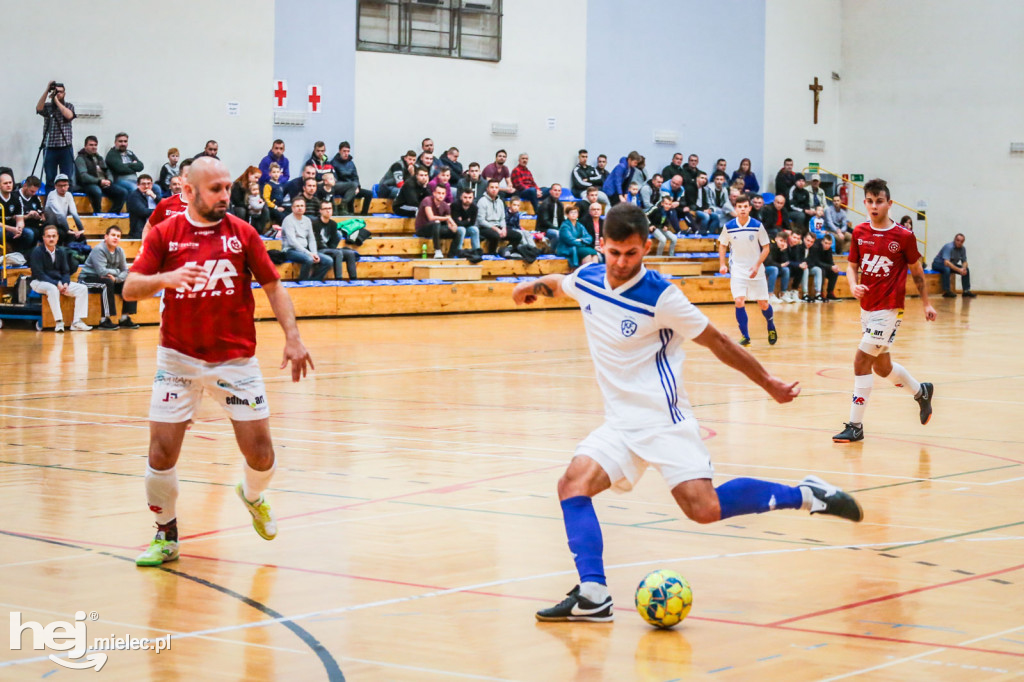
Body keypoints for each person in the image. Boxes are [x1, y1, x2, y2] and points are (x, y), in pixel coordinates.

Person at [513, 203, 863, 623]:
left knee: (704, 510)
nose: (622, 262)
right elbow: (560, 283)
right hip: (621, 423)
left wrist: (768, 383)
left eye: (632, 253)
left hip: (664, 421)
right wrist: (533, 284)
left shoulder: (661, 296)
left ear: (645, 248)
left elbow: (718, 342)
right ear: (601, 245)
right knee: (572, 485)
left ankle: (807, 495)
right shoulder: (588, 278)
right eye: (614, 253)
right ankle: (594, 594)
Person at [123, 157, 313, 566]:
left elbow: (274, 287)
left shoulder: (242, 234)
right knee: (160, 453)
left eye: (228, 187)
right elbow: (130, 287)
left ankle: (252, 494)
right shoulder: (165, 233)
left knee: (261, 454)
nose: (226, 195)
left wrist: (293, 338)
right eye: (216, 189)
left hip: (234, 361)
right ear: (189, 191)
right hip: (178, 360)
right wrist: (164, 280)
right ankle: (166, 535)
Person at [834, 178, 936, 443]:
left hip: (889, 309)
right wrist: (854, 285)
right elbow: (851, 266)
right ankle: (920, 392)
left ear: (889, 204)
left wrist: (926, 303)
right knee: (882, 367)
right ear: (865, 203)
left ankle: (855, 426)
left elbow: (917, 272)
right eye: (869, 201)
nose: (874, 205)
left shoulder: (904, 236)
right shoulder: (859, 232)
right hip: (867, 309)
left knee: (860, 361)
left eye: (879, 201)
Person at [718, 194, 776, 346]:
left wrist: (757, 265)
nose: (742, 209)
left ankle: (770, 325)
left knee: (763, 303)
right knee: (739, 301)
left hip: (756, 270)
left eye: (745, 207)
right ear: (736, 209)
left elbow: (766, 248)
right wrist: (722, 264)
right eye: (739, 207)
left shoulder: (757, 225)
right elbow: (723, 245)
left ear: (749, 208)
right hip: (737, 269)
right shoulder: (729, 226)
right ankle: (745, 336)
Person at [29, 225, 91, 331]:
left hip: (58, 282)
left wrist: (65, 283)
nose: (51, 239)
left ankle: (76, 322)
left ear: (57, 237)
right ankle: (59, 322)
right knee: (52, 289)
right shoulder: (37, 252)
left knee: (82, 289)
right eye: (48, 236)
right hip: (38, 282)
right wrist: (56, 283)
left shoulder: (61, 251)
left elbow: (65, 271)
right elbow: (39, 274)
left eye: (54, 236)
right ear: (43, 238)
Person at [79, 225, 139, 329]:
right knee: (106, 283)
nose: (116, 238)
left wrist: (117, 279)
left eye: (118, 236)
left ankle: (125, 318)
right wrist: (117, 271)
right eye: (113, 235)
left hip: (109, 279)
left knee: (131, 282)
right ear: (106, 237)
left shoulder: (120, 251)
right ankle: (104, 320)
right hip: (88, 278)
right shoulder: (99, 249)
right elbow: (102, 272)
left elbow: (125, 270)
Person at [36, 81, 77, 190]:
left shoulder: (69, 106)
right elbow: (39, 108)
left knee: (68, 178)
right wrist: (46, 90)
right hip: (50, 148)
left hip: (65, 148)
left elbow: (69, 116)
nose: (58, 94)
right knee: (50, 178)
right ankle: (50, 204)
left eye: (60, 92)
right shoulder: (48, 107)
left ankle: (67, 204)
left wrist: (56, 101)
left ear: (64, 93)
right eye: (56, 92)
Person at [281, 197, 332, 281]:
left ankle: (313, 281)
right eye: (297, 206)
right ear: (292, 208)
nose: (300, 208)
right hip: (290, 250)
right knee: (308, 259)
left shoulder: (307, 220)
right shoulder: (288, 220)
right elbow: (292, 242)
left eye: (302, 205)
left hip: (305, 250)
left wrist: (314, 253)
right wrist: (309, 253)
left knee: (328, 261)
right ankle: (303, 282)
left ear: (305, 207)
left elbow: (311, 238)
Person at [142, 159, 192, 241]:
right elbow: (148, 227)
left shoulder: (206, 207)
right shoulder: (166, 203)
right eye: (188, 176)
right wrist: (145, 250)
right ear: (180, 179)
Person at [75, 136, 128, 213]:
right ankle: (98, 213)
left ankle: (112, 214)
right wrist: (99, 181)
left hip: (103, 183)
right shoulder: (80, 158)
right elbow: (83, 176)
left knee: (123, 192)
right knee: (96, 191)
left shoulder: (99, 158)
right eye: (91, 145)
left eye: (95, 145)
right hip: (89, 184)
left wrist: (109, 180)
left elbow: (108, 171)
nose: (94, 147)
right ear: (85, 146)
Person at [415, 183, 464, 259]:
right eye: (439, 193)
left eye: (443, 193)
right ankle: (437, 250)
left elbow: (449, 220)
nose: (441, 195)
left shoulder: (445, 205)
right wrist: (447, 219)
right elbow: (431, 217)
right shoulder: (427, 200)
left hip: (436, 230)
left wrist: (453, 226)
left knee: (458, 232)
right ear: (434, 193)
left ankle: (451, 255)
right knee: (436, 223)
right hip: (423, 229)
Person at [312, 200, 359, 280]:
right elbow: (316, 242)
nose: (328, 211)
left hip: (329, 249)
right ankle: (338, 280)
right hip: (317, 250)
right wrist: (331, 250)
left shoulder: (333, 224)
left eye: (330, 208)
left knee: (350, 253)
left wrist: (331, 249)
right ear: (320, 211)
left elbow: (333, 243)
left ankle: (354, 280)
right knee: (338, 253)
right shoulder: (315, 223)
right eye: (325, 208)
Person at [330, 142, 373, 215]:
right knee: (352, 191)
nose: (346, 153)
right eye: (344, 151)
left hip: (353, 186)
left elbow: (355, 177)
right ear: (339, 151)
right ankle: (348, 211)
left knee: (369, 193)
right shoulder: (333, 163)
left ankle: (363, 214)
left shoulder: (351, 163)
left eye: (348, 151)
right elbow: (335, 179)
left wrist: (357, 187)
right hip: (341, 188)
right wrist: (352, 186)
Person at [44, 173, 87, 245]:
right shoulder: (52, 195)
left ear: (68, 186)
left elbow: (74, 213)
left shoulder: (69, 195)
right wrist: (67, 230)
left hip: (62, 225)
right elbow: (60, 214)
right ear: (55, 186)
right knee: (64, 234)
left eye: (65, 185)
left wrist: (81, 229)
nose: (63, 188)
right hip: (50, 225)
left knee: (81, 237)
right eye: (60, 186)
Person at [106, 133, 153, 197]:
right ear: (115, 142)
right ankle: (134, 206)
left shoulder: (130, 153)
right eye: (120, 141)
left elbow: (140, 166)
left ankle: (155, 206)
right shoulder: (112, 154)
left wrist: (126, 165)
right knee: (135, 189)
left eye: (125, 141)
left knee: (156, 188)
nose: (123, 144)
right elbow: (120, 169)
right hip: (120, 181)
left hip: (135, 180)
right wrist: (133, 165)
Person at [932, 233, 976, 298]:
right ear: (954, 240)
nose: (959, 242)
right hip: (938, 264)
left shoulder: (963, 249)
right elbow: (946, 262)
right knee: (946, 269)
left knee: (966, 270)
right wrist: (959, 270)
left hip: (950, 264)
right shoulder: (948, 247)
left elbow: (964, 261)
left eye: (961, 241)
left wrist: (963, 269)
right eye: (957, 240)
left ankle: (966, 291)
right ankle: (946, 291)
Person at [1, 172, 34, 256]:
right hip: (3, 228)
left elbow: (20, 219)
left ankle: (19, 254)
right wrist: (12, 229)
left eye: (10, 182)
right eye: (5, 183)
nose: (8, 185)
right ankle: (2, 254)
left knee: (29, 233)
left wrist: (19, 229)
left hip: (12, 229)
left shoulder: (16, 197)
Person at [556, 204, 599, 269]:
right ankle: (585, 274)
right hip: (568, 248)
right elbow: (570, 241)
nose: (574, 214)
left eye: (575, 212)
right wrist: (583, 242)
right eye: (571, 212)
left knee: (594, 252)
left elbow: (589, 238)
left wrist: (581, 240)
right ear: (567, 215)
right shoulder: (565, 226)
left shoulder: (580, 225)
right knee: (586, 253)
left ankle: (594, 273)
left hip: (579, 246)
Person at [476, 179, 509, 255]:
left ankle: (508, 251)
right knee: (495, 236)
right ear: (487, 188)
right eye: (492, 187)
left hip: (498, 227)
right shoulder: (482, 201)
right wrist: (496, 229)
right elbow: (481, 221)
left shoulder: (500, 202)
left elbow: (502, 218)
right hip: (484, 228)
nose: (494, 189)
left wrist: (504, 228)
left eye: (496, 187)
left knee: (517, 236)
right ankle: (492, 253)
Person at [450, 188, 484, 261]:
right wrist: (466, 221)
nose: (467, 199)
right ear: (461, 197)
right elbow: (455, 221)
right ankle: (458, 251)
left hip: (467, 228)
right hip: (456, 229)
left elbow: (472, 223)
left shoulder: (474, 207)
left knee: (475, 229)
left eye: (470, 197)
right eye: (465, 197)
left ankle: (476, 250)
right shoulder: (455, 205)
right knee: (462, 229)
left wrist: (462, 221)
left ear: (473, 198)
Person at [126, 174, 160, 240]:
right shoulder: (134, 196)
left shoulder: (154, 194)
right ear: (138, 185)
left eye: (148, 184)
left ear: (152, 184)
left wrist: (154, 196)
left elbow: (164, 205)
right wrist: (159, 211)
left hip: (155, 231)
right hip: (139, 233)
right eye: (143, 184)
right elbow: (143, 211)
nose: (146, 186)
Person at [811, 233, 842, 301]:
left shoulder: (829, 249)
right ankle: (821, 293)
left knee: (834, 273)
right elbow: (817, 262)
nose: (827, 245)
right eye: (826, 243)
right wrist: (830, 267)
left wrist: (834, 267)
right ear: (822, 241)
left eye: (829, 244)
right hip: (815, 266)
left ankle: (830, 293)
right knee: (822, 271)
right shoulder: (816, 246)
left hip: (824, 266)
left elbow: (830, 262)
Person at [766, 231, 791, 304]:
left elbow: (785, 262)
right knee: (774, 269)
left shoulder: (780, 248)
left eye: (784, 241)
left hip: (774, 267)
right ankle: (770, 294)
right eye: (781, 241)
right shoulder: (770, 245)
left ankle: (783, 294)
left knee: (786, 270)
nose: (782, 243)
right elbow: (768, 262)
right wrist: (780, 265)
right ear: (776, 239)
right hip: (763, 267)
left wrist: (783, 251)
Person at [798, 232, 823, 302]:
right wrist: (803, 264)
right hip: (799, 267)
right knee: (805, 270)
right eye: (808, 240)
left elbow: (815, 261)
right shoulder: (799, 246)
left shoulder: (814, 248)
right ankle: (805, 294)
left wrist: (807, 264)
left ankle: (818, 293)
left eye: (812, 242)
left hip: (808, 266)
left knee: (818, 269)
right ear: (804, 239)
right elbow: (797, 258)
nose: (809, 243)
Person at [262, 162, 287, 226]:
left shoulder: (280, 185)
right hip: (272, 208)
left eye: (277, 172)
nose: (276, 174)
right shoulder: (268, 185)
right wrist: (275, 207)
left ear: (280, 173)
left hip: (280, 206)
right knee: (282, 217)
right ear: (270, 173)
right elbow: (266, 199)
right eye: (274, 172)